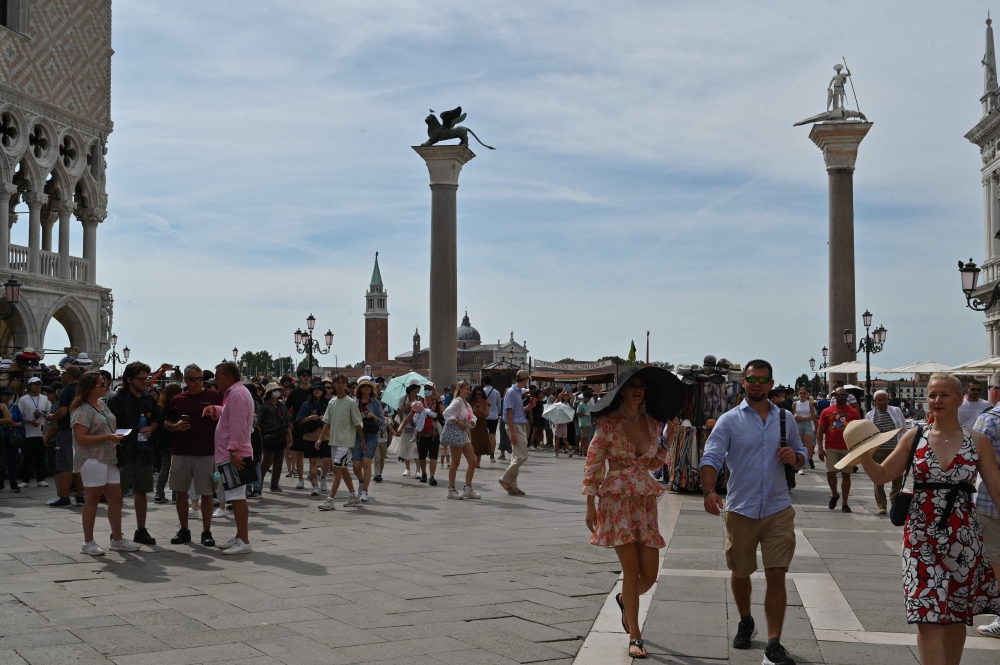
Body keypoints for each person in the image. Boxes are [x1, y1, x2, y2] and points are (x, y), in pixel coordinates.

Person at [856, 373, 1000, 664]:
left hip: (964, 538)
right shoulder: (914, 436)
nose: (937, 400)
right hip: (921, 536)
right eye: (932, 395)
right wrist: (861, 454)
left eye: (944, 395)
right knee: (927, 615)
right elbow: (883, 475)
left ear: (960, 399)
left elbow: (997, 491)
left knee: (957, 616)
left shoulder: (979, 441)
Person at [700, 359, 806, 665]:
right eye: (752, 379)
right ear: (743, 383)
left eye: (763, 379)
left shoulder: (785, 419)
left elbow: (801, 456)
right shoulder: (729, 420)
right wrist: (709, 491)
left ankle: (774, 642)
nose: (757, 384)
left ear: (771, 384)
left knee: (776, 573)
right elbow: (711, 457)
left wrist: (794, 458)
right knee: (741, 571)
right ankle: (746, 619)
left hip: (778, 508)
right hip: (742, 508)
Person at [584, 366, 680, 660]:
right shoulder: (608, 423)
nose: (638, 389)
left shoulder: (653, 423)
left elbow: (651, 466)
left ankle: (626, 601)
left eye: (642, 385)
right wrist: (590, 504)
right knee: (631, 571)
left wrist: (669, 440)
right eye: (632, 384)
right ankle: (635, 635)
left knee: (649, 575)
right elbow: (593, 463)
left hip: (644, 502)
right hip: (616, 501)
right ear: (622, 389)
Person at [71, 372, 137, 555]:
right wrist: (109, 437)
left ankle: (117, 539)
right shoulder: (83, 409)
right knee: (92, 498)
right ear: (91, 387)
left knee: (116, 497)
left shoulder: (103, 406)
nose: (106, 385)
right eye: (101, 384)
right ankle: (88, 542)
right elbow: (80, 438)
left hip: (109, 457)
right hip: (91, 458)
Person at [163, 364, 222, 546]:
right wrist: (175, 426)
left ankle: (206, 530)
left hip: (206, 451)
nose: (198, 382)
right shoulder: (178, 399)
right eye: (194, 379)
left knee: (207, 492)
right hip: (182, 450)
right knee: (181, 491)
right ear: (185, 380)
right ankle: (184, 529)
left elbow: (224, 418)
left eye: (201, 379)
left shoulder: (213, 396)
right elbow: (167, 421)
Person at [202, 361, 254, 554]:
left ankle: (244, 541)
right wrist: (216, 410)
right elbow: (231, 416)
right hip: (231, 453)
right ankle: (240, 536)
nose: (215, 381)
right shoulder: (235, 393)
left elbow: (238, 425)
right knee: (234, 496)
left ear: (229, 378)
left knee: (237, 497)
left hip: (235, 455)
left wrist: (233, 452)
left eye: (218, 377)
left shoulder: (237, 395)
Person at [106, 361, 160, 546]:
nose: (145, 382)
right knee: (117, 495)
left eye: (146, 378)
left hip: (144, 451)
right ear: (129, 379)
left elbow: (157, 419)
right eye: (141, 379)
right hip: (124, 452)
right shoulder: (117, 400)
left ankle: (141, 529)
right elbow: (109, 426)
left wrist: (151, 428)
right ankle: (116, 533)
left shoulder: (148, 399)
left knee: (142, 491)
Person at [971, 370, 1000, 638]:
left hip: (992, 503)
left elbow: (971, 461)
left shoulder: (989, 420)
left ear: (994, 390)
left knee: (997, 560)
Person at [317, 374, 363, 510]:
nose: (340, 385)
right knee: (342, 470)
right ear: (334, 385)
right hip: (334, 441)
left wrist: (362, 441)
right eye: (338, 382)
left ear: (346, 385)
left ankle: (330, 500)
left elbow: (357, 424)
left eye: (343, 382)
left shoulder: (351, 403)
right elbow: (327, 422)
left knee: (337, 469)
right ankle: (354, 495)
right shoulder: (332, 402)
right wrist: (320, 438)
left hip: (345, 441)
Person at [816, 388, 861, 513]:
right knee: (830, 473)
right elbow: (820, 430)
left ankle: (845, 503)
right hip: (831, 447)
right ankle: (835, 494)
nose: (842, 397)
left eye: (845, 395)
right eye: (840, 395)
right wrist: (820, 448)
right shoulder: (826, 412)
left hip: (847, 447)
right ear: (835, 396)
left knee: (846, 474)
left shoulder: (853, 412)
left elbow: (858, 430)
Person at [864, 390, 908, 515]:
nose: (883, 402)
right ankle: (881, 505)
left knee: (898, 477)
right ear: (875, 402)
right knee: (878, 478)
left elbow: (904, 428)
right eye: (880, 400)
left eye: (885, 399)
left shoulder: (896, 411)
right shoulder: (869, 415)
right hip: (878, 450)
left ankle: (894, 500)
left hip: (895, 449)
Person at [47, 366, 84, 507]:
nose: (62, 377)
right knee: (78, 465)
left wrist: (52, 416)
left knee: (66, 465)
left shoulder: (67, 391)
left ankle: (65, 497)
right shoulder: (82, 390)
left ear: (69, 375)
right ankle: (80, 497)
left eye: (63, 374)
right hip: (81, 429)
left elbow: (62, 412)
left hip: (66, 430)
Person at [441, 380, 481, 500]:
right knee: (455, 463)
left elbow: (472, 415)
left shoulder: (466, 403)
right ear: (461, 389)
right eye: (467, 389)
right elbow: (446, 413)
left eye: (469, 389)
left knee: (473, 461)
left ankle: (468, 488)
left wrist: (472, 421)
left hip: (464, 433)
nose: (469, 391)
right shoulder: (457, 401)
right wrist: (457, 421)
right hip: (456, 433)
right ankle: (451, 489)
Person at [498, 370, 531, 496]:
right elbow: (509, 413)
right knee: (523, 456)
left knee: (516, 457)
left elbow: (516, 411)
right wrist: (512, 433)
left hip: (519, 424)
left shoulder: (517, 392)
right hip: (515, 426)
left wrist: (527, 408)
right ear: (525, 379)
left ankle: (513, 485)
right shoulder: (512, 392)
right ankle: (505, 479)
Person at [296, 383, 330, 496]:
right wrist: (310, 417)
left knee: (327, 460)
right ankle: (315, 486)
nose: (316, 391)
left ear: (323, 391)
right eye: (314, 389)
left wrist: (323, 418)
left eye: (319, 389)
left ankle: (323, 477)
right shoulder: (307, 404)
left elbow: (333, 418)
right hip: (310, 436)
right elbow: (300, 420)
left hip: (326, 436)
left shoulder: (329, 403)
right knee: (313, 462)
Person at [353, 379, 384, 502]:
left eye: (368, 386)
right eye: (363, 386)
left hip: (371, 434)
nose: (366, 388)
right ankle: (361, 481)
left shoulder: (376, 403)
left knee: (366, 462)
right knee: (356, 466)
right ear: (359, 389)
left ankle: (365, 490)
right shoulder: (354, 402)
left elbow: (382, 420)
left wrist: (373, 416)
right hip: (356, 434)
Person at [17, 377, 49, 489]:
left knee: (41, 458)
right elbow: (19, 416)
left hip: (41, 433)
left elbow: (50, 413)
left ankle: (41, 479)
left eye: (39, 384)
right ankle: (25, 480)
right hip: (28, 433)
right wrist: (30, 421)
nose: (37, 386)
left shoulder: (45, 398)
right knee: (27, 458)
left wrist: (41, 413)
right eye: (35, 384)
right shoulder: (23, 399)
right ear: (29, 386)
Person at [153, 383, 182, 503]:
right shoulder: (178, 406)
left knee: (165, 467)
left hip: (163, 441)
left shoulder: (161, 407)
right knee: (176, 469)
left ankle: (159, 493)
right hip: (176, 440)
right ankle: (176, 495)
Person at [259, 383, 290, 492]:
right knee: (268, 459)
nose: (277, 392)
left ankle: (274, 484)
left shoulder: (282, 405)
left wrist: (289, 435)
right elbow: (259, 422)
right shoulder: (264, 406)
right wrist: (260, 436)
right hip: (268, 435)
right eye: (274, 390)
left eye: (278, 390)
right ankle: (259, 483)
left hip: (280, 435)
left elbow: (287, 421)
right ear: (269, 393)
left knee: (279, 461)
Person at [285, 369, 313, 483]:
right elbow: (286, 408)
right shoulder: (295, 392)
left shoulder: (314, 391)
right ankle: (301, 478)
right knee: (299, 453)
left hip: (313, 426)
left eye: (308, 375)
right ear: (299, 378)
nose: (306, 377)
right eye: (303, 375)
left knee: (313, 454)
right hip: (298, 425)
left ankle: (313, 474)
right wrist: (289, 423)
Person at [0, 389, 24, 492]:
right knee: (1, 461)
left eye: (10, 395)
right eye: (6, 394)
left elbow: (21, 422)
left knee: (12, 460)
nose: (8, 397)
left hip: (12, 437)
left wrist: (15, 424)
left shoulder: (14, 407)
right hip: (2, 436)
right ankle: (0, 484)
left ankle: (13, 483)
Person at [792, 388, 816, 474]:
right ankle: (800, 466)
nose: (802, 394)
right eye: (801, 393)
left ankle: (807, 461)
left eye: (804, 393)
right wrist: (795, 417)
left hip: (807, 424)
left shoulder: (810, 404)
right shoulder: (795, 404)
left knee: (809, 445)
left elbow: (813, 417)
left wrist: (803, 418)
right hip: (798, 424)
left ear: (807, 394)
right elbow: (793, 414)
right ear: (798, 394)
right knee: (799, 444)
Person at [469, 386, 491, 466]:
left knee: (481, 440)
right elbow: (469, 414)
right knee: (473, 441)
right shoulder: (471, 401)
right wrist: (475, 409)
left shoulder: (485, 401)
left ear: (482, 393)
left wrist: (480, 410)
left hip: (481, 422)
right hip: (473, 421)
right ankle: (474, 459)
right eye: (476, 394)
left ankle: (478, 461)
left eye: (479, 394)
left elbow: (486, 414)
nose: (478, 396)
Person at [482, 376, 501, 463]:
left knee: (483, 435)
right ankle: (492, 454)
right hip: (494, 416)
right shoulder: (496, 392)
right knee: (492, 435)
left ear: (483, 383)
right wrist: (497, 412)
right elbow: (499, 405)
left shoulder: (482, 391)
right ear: (491, 382)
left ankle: (482, 452)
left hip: (484, 416)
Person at [576, 389, 594, 453]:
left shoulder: (589, 404)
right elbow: (577, 414)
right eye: (588, 398)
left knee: (585, 437)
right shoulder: (581, 405)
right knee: (584, 437)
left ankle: (581, 450)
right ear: (584, 397)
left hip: (588, 422)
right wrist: (584, 414)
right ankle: (586, 450)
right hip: (583, 423)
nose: (589, 399)